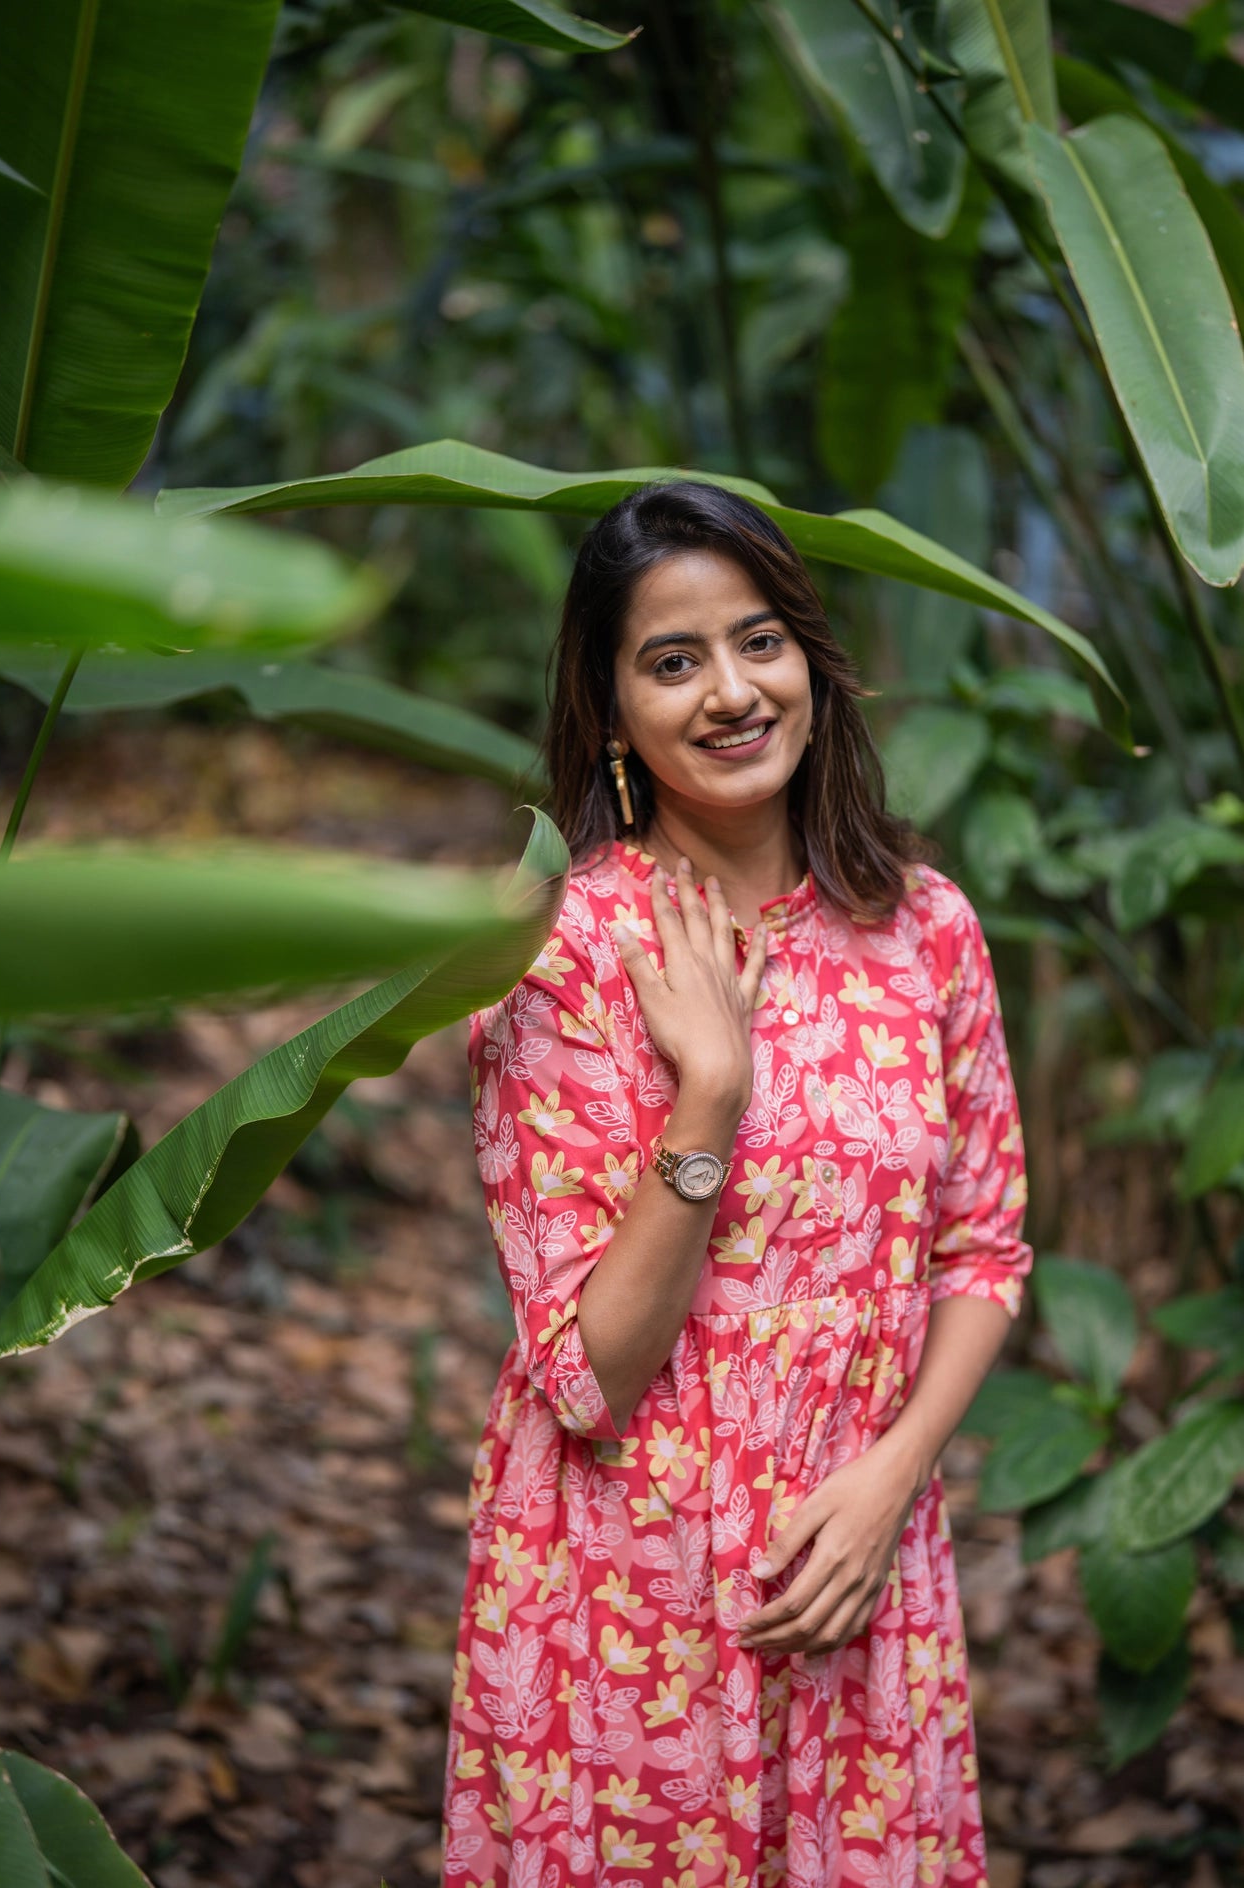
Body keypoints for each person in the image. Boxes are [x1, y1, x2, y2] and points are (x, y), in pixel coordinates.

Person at [443, 481, 1033, 1888]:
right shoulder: (558, 954)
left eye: (758, 642)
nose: (729, 692)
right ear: (607, 711)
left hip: (857, 1577)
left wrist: (894, 1479)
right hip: (625, 1590)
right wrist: (711, 1090)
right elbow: (589, 1376)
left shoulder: (924, 930)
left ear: (814, 673)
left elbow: (983, 1250)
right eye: (672, 659)